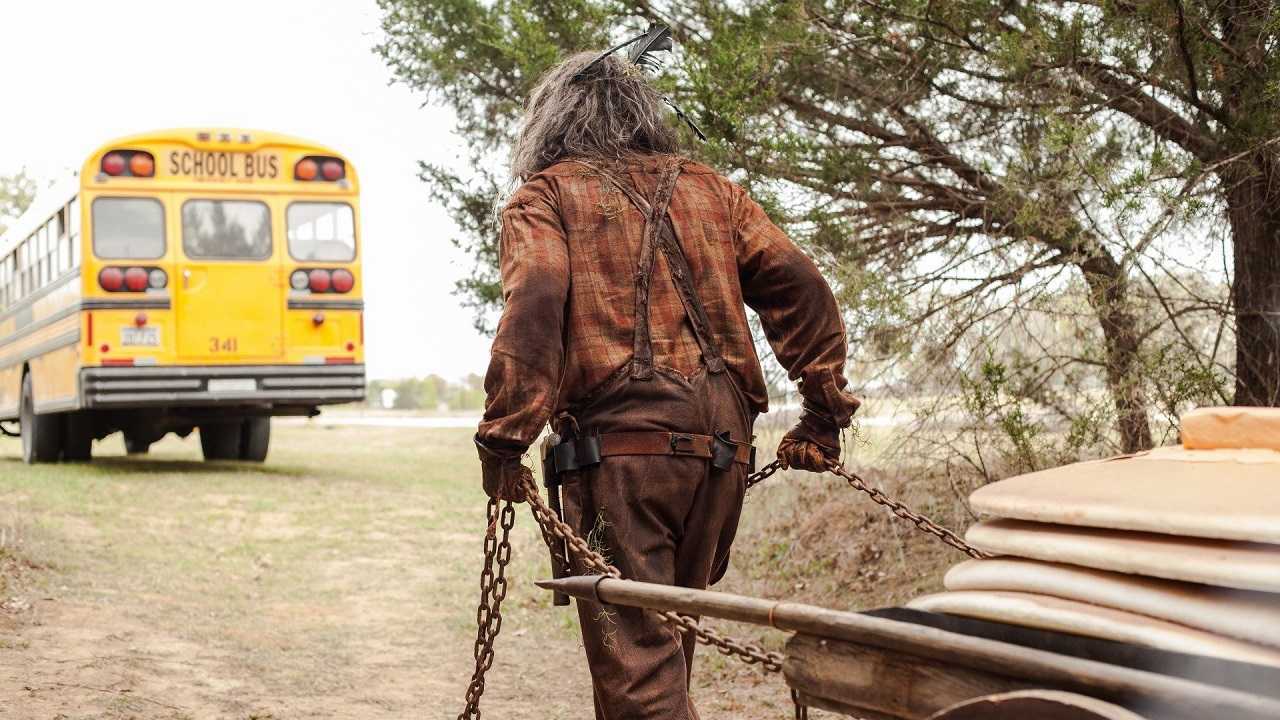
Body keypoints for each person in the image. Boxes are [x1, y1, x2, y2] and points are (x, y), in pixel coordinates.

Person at [474, 45, 860, 720]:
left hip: (619, 457)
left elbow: (535, 298)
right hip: (721, 455)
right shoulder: (713, 190)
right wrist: (822, 411)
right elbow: (799, 281)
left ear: (550, 122)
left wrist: (504, 444)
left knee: (640, 673)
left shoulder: (544, 199)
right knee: (665, 651)